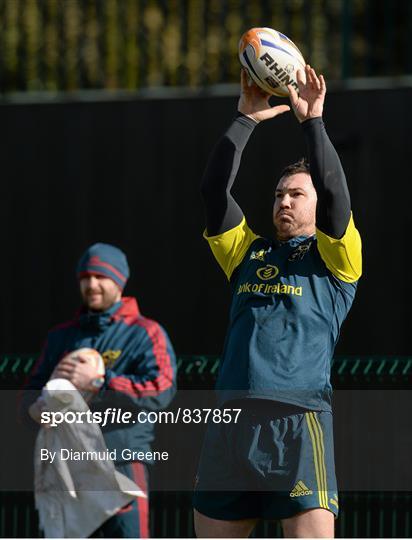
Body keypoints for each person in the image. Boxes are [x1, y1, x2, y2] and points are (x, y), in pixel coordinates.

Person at [193, 66, 362, 538]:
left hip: (297, 420)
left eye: (295, 194)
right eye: (279, 195)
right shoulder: (247, 252)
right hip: (230, 424)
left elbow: (334, 194)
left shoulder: (336, 257)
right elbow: (213, 192)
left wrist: (313, 123)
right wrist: (244, 118)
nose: (284, 202)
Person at [23, 242, 176, 538]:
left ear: (119, 281)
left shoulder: (145, 332)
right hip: (66, 471)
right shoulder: (61, 337)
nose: (91, 284)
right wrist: (37, 408)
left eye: (100, 276)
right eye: (85, 277)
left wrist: (100, 383)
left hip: (121, 465)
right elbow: (28, 397)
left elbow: (161, 389)